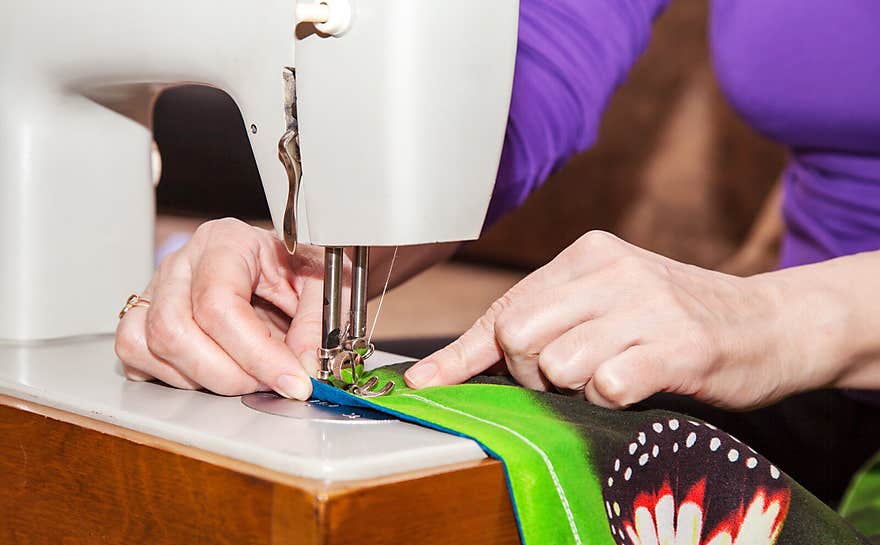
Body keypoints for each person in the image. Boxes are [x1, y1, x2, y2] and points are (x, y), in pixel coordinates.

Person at [116, 1, 880, 505]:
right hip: (805, 385)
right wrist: (336, 235)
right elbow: (542, 57)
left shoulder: (779, 322)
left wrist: (784, 318)